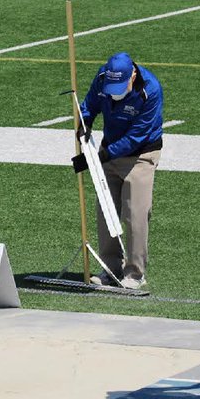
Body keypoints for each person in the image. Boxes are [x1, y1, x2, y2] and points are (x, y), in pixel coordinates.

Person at [77, 52, 163, 291]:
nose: (114, 91)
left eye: (119, 85)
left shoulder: (151, 89)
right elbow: (89, 104)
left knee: (135, 213)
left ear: (132, 75)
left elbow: (138, 135)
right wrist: (84, 124)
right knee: (105, 209)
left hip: (141, 155)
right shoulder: (103, 77)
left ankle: (135, 273)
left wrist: (104, 154)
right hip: (109, 150)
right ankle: (110, 269)